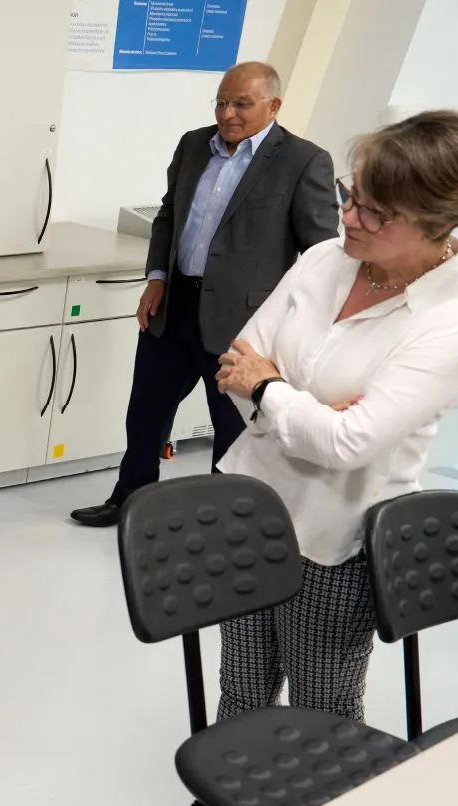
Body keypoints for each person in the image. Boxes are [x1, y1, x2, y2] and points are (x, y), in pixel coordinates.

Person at [151, 110, 458, 806]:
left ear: (438, 223)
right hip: (250, 510)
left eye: (374, 211)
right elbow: (236, 360)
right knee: (242, 684)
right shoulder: (323, 258)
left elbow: (348, 444)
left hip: (336, 537)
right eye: (353, 195)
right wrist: (298, 405)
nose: (348, 215)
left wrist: (277, 388)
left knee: (322, 704)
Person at [71, 61, 337, 528]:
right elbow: (168, 216)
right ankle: (130, 500)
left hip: (243, 324)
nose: (227, 112)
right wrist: (156, 277)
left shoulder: (303, 161)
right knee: (146, 413)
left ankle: (221, 521)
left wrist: (292, 324)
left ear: (274, 106)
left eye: (242, 103)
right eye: (221, 101)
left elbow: (320, 253)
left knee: (232, 429)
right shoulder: (194, 145)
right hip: (173, 306)